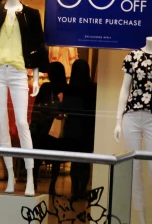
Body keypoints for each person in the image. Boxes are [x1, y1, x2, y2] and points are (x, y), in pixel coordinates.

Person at [62, 59, 97, 198]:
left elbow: (65, 108)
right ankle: (82, 189)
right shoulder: (93, 88)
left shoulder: (69, 88)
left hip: (73, 129)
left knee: (75, 162)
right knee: (85, 161)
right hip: (88, 129)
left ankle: (75, 189)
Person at [30, 61, 67, 193]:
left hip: (43, 127)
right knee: (56, 158)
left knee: (37, 156)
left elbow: (36, 105)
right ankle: (52, 184)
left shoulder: (46, 87)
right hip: (57, 128)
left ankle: (33, 182)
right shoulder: (66, 88)